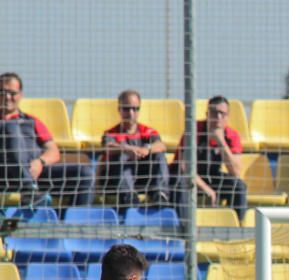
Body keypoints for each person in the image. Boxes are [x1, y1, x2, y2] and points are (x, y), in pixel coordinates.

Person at [0, 71, 95, 207]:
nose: (7, 97)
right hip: (5, 174)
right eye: (2, 92)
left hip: (36, 172)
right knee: (11, 128)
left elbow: (53, 151)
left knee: (85, 174)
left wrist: (40, 162)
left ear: (21, 95)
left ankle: (74, 222)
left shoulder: (32, 121)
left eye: (12, 93)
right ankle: (28, 189)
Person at [171, 95, 246, 218]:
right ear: (207, 114)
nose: (218, 118)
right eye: (214, 113)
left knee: (239, 186)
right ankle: (183, 228)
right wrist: (206, 188)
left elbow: (236, 172)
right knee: (180, 183)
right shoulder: (194, 130)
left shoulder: (232, 136)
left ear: (228, 117)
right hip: (188, 177)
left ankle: (238, 227)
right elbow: (185, 167)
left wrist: (221, 142)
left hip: (212, 176)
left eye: (222, 114)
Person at [99, 90, 170, 209]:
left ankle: (161, 194)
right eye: (126, 109)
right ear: (119, 109)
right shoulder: (111, 133)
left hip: (144, 177)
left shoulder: (147, 131)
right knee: (121, 155)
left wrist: (147, 149)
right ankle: (129, 196)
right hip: (117, 180)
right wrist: (127, 148)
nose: (131, 113)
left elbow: (161, 145)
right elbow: (107, 147)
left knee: (159, 156)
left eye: (135, 109)